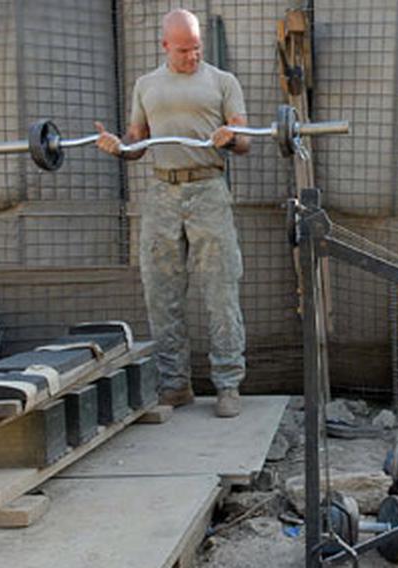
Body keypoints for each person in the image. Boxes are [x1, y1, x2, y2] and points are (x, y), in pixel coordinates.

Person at [95, 8, 249, 418]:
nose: (192, 56)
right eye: (183, 50)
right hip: (162, 192)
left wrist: (230, 136)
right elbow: (136, 141)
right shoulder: (146, 85)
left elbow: (245, 139)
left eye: (196, 48)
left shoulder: (222, 82)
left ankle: (229, 385)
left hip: (208, 189)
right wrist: (119, 147)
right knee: (162, 294)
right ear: (165, 46)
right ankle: (175, 384)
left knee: (221, 289)